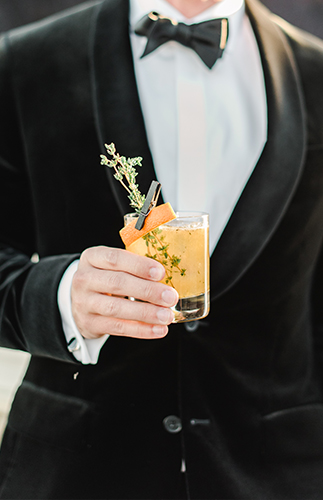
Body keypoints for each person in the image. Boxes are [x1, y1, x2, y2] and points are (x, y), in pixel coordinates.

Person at [1, 0, 323, 498]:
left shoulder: (316, 73)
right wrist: (62, 297)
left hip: (278, 472)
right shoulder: (24, 61)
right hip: (77, 470)